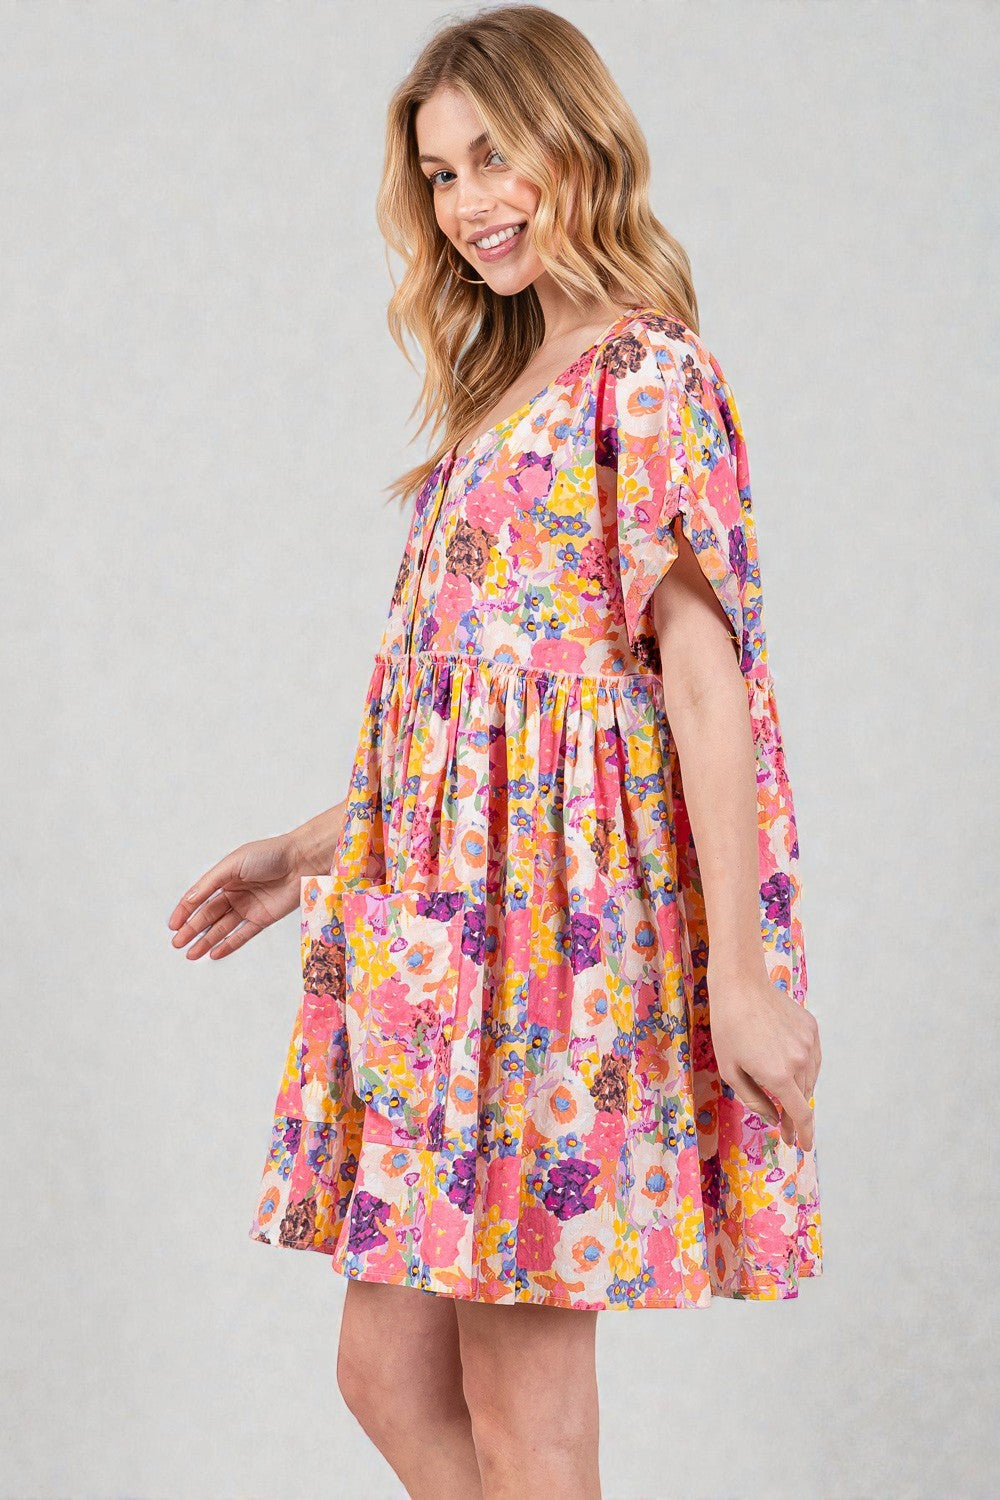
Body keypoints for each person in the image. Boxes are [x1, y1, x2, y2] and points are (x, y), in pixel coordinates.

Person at [167, 6, 823, 1496]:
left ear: (574, 141)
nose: (469, 203)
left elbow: (701, 688)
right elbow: (479, 724)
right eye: (440, 175)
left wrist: (739, 977)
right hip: (441, 942)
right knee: (385, 1371)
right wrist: (301, 848)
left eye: (493, 155)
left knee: (530, 1415)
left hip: (553, 959)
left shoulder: (646, 376)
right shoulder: (500, 394)